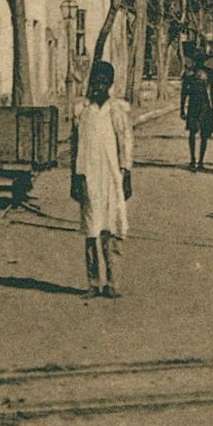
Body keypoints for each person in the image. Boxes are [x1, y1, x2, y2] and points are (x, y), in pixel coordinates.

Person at [71, 61, 133, 299]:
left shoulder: (117, 110)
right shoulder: (82, 110)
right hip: (87, 176)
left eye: (102, 82)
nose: (97, 86)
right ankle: (93, 282)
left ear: (109, 84)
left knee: (111, 228)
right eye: (94, 82)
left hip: (112, 177)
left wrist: (126, 174)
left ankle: (112, 281)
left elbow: (125, 143)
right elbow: (77, 145)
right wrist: (74, 179)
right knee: (91, 230)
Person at [180, 53, 213, 172]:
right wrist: (182, 108)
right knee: (192, 132)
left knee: (204, 135)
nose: (200, 62)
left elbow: (212, 91)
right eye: (198, 60)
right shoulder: (189, 73)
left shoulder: (209, 73)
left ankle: (200, 160)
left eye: (201, 60)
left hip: (205, 105)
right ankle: (193, 159)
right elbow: (184, 91)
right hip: (193, 105)